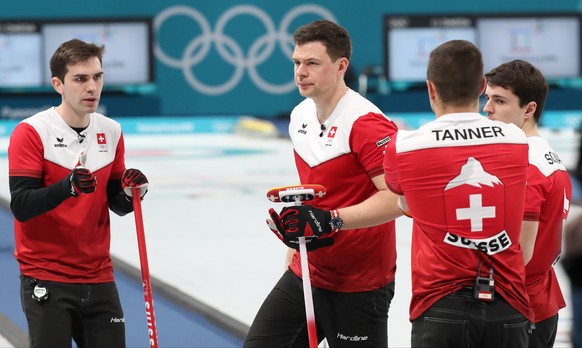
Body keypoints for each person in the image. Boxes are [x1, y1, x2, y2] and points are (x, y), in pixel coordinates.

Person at [244, 20, 402, 347]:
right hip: (307, 273)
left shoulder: (367, 124)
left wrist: (331, 220)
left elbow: (397, 199)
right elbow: (310, 196)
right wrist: (293, 245)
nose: (300, 72)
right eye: (297, 63)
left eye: (312, 63)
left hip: (361, 284)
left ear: (341, 65)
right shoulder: (299, 116)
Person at [383, 40, 533, 347]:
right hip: (509, 301)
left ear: (430, 89)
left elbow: (405, 203)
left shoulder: (402, 146)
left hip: (440, 304)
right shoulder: (516, 139)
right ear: (481, 86)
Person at [8, 39, 149, 348]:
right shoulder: (31, 132)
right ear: (58, 84)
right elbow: (21, 205)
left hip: (98, 276)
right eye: (81, 79)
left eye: (97, 77)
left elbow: (117, 203)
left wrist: (132, 191)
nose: (92, 87)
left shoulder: (110, 130)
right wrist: (67, 187)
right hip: (46, 275)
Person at [483, 59, 572, 347]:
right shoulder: (547, 157)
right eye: (487, 98)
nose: (487, 109)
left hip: (517, 310)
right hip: (537, 303)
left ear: (529, 109)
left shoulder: (527, 168)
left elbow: (519, 255)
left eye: (499, 100)